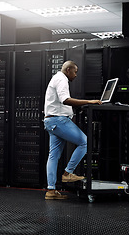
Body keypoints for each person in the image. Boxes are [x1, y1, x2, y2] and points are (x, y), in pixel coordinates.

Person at [43, 60, 102, 200]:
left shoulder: (56, 78)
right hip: (59, 120)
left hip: (51, 121)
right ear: (68, 69)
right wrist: (89, 101)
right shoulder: (62, 79)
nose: (76, 75)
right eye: (75, 72)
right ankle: (68, 173)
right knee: (85, 142)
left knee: (53, 156)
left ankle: (51, 190)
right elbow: (65, 100)